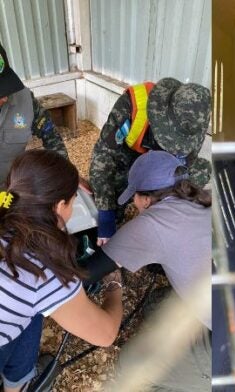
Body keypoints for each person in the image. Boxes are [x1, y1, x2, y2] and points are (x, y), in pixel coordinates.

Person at [83, 150, 211, 390]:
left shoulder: (151, 225)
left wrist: (113, 282)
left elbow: (86, 273)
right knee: (157, 306)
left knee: (130, 364)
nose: (134, 204)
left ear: (145, 199)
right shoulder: (203, 198)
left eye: (134, 197)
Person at [0, 150, 122, 392]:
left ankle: (18, 378)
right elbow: (106, 335)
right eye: (73, 199)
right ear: (59, 206)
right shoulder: (40, 270)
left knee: (31, 313)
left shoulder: (6, 201)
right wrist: (114, 287)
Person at [89, 77, 211, 246]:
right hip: (130, 157)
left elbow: (183, 168)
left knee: (200, 172)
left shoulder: (194, 121)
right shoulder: (134, 105)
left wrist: (163, 206)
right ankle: (115, 217)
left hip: (161, 166)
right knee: (114, 195)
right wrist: (106, 213)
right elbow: (103, 156)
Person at [0, 43, 68, 182]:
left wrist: (65, 173)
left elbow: (51, 136)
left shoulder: (24, 99)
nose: (5, 97)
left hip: (15, 187)